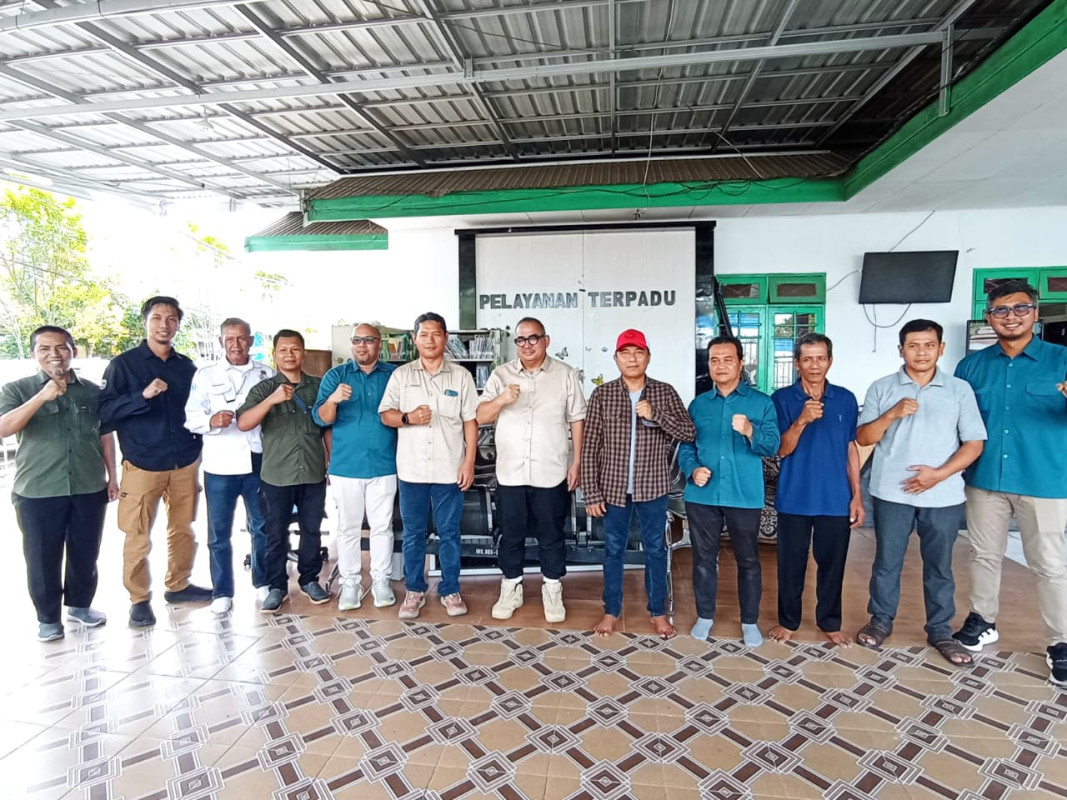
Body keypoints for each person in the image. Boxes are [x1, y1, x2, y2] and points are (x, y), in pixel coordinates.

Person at [952, 279, 1067, 686]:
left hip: (1045, 478)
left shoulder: (1061, 360)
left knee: (1049, 563)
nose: (1011, 317)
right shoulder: (971, 367)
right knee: (983, 554)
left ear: (1035, 313)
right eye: (1001, 310)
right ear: (989, 317)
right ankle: (983, 619)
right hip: (985, 478)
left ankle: (1060, 641)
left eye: (1020, 308)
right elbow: (958, 422)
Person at [855, 319, 986, 666]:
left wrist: (938, 475)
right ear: (901, 350)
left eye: (929, 345)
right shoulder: (882, 387)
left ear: (940, 348)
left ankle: (940, 630)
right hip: (891, 493)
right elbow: (864, 437)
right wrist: (892, 413)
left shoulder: (959, 390)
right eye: (913, 346)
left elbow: (974, 444)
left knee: (939, 566)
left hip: (942, 496)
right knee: (887, 562)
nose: (921, 352)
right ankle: (880, 620)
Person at [98, 296, 210, 628]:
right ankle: (138, 600)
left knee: (183, 529)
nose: (164, 324)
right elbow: (104, 413)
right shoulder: (123, 365)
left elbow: (198, 410)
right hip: (143, 464)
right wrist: (141, 396)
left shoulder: (186, 367)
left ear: (178, 324)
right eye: (157, 317)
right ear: (145, 322)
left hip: (183, 462)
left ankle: (178, 585)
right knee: (137, 534)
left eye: (171, 318)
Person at [1, 326, 119, 641]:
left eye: (62, 347)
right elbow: (4, 427)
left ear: (73, 351)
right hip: (38, 489)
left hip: (88, 485)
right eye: (45, 348)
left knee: (85, 552)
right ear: (34, 354)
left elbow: (105, 435)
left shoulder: (92, 391)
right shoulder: (17, 389)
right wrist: (42, 396)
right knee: (42, 557)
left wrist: (112, 476)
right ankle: (48, 619)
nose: (55, 354)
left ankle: (80, 606)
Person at [581, 329, 695, 639]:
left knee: (655, 550)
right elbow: (589, 447)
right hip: (613, 490)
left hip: (652, 489)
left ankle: (657, 612)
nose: (632, 358)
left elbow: (688, 432)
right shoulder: (602, 395)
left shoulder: (664, 392)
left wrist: (656, 415)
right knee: (613, 550)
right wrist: (591, 492)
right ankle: (611, 611)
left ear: (648, 357)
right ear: (616, 358)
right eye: (625, 353)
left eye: (638, 352)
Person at [477, 317, 586, 623]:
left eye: (533, 338)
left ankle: (552, 589)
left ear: (546, 340)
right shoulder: (501, 375)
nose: (527, 345)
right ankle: (511, 587)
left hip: (550, 471)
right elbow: (481, 415)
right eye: (521, 340)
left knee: (552, 534)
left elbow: (577, 418)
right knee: (510, 534)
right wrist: (502, 399)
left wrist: (576, 461)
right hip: (510, 472)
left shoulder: (565, 374)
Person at [680, 336, 780, 648]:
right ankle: (705, 616)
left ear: (740, 363)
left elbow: (772, 445)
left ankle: (749, 621)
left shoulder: (761, 403)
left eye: (727, 359)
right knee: (703, 559)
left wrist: (751, 430)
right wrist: (692, 468)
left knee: (748, 560)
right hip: (703, 495)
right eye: (714, 360)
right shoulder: (698, 405)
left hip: (743, 495)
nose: (720, 365)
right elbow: (686, 445)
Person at [379, 312, 478, 619]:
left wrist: (469, 462)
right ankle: (414, 590)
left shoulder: (461, 376)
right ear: (414, 339)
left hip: (450, 469)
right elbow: (386, 415)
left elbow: (470, 421)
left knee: (450, 532)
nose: (430, 340)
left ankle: (450, 590)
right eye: (424, 334)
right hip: (412, 470)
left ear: (445, 338)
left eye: (436, 334)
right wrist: (408, 417)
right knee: (413, 533)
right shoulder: (402, 375)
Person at [768, 333, 864, 647]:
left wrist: (857, 495)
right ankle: (788, 621)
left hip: (835, 498)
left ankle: (830, 622)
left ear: (830, 361)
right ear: (797, 364)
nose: (814, 365)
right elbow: (781, 449)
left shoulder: (845, 398)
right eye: (807, 359)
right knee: (790, 565)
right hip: (794, 497)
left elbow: (851, 448)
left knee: (833, 566)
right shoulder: (781, 399)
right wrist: (802, 420)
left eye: (821, 358)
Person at [184, 318, 274, 615]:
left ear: (251, 341)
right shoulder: (206, 375)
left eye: (242, 338)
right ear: (221, 342)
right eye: (230, 339)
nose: (236, 344)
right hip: (220, 464)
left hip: (257, 460)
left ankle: (263, 582)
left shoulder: (266, 373)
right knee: (218, 532)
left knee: (261, 527)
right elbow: (190, 417)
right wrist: (210, 421)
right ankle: (222, 591)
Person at [237, 330, 330, 613]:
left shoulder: (318, 387)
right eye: (283, 350)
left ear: (304, 353)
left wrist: (332, 462)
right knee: (275, 533)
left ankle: (310, 579)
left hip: (312, 471)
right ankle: (276, 586)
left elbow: (328, 426)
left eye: (295, 349)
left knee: (311, 530)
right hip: (276, 474)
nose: (289, 354)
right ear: (274, 354)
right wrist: (271, 401)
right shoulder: (264, 389)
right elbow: (244, 423)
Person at [313, 323, 398, 611]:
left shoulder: (393, 375)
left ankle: (381, 580)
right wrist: (333, 399)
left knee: (382, 527)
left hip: (385, 464)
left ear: (380, 344)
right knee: (348, 529)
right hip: (346, 467)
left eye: (368, 340)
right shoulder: (336, 376)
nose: (362, 345)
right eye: (357, 340)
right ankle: (350, 582)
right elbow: (322, 419)